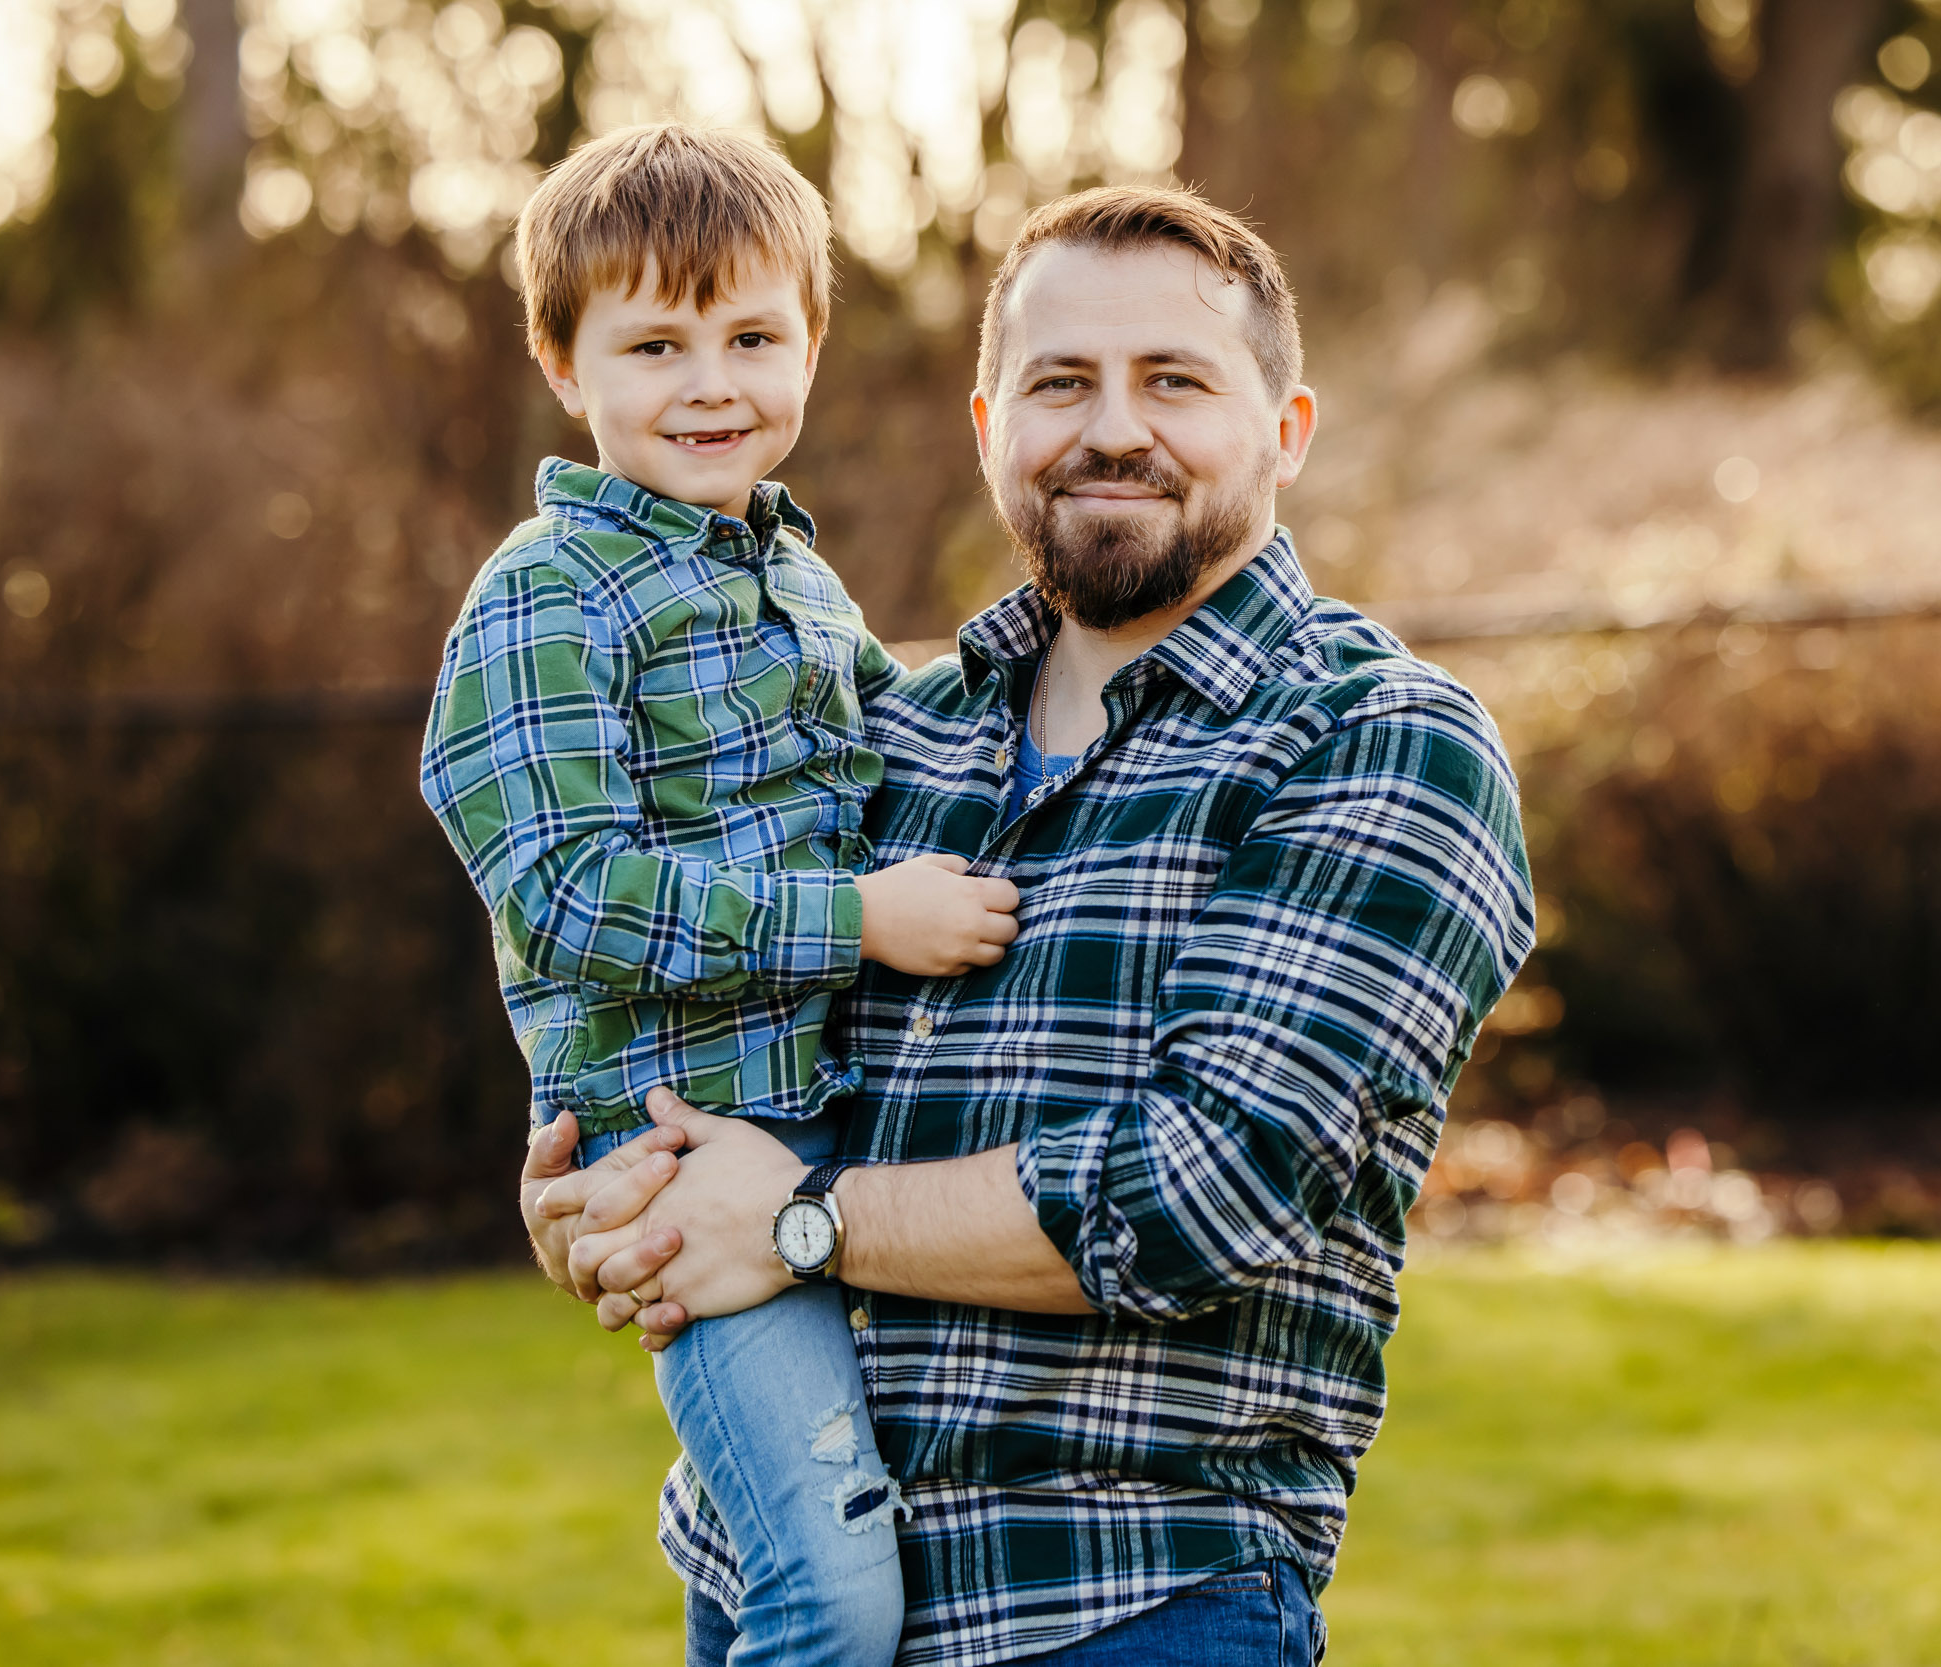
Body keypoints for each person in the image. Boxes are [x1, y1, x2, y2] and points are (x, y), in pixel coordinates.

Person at [527, 186, 1536, 1667]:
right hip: (771, 1588)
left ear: (1287, 429)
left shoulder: (1378, 744)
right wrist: (622, 1192)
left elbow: (1199, 1192)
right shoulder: (884, 739)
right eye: (1063, 384)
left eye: (1174, 381)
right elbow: (722, 1038)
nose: (1112, 429)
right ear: (992, 424)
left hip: (1124, 1604)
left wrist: (797, 1226)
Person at [420, 121, 1022, 1667]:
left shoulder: (800, 583)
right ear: (566, 364)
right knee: (834, 1598)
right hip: (681, 1146)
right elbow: (561, 893)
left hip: (832, 1128)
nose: (711, 382)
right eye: (655, 342)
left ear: (811, 344)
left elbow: (892, 762)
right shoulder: (546, 595)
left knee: (788, 1565)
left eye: (753, 336)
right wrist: (857, 919)